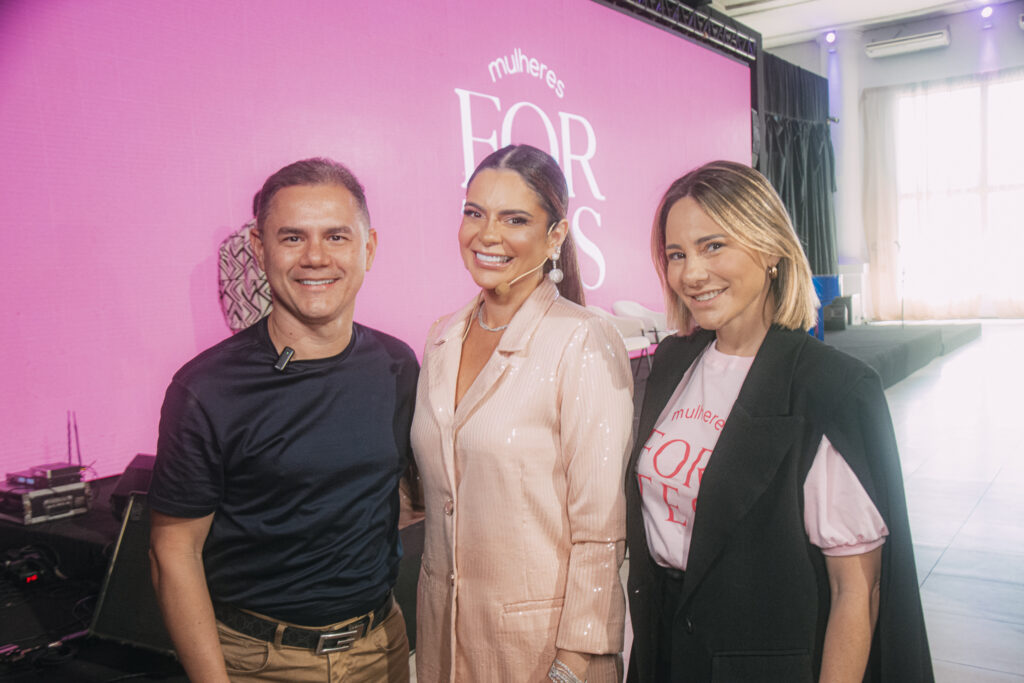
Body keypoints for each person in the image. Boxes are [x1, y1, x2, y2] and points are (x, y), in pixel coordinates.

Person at [625, 161, 933, 682]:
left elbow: (856, 590)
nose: (692, 273)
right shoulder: (675, 361)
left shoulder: (826, 385)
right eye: (677, 255)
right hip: (667, 651)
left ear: (769, 248)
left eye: (713, 246)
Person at [149, 157, 418, 683]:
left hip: (382, 648)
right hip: (257, 662)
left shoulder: (397, 364)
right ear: (259, 247)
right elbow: (173, 552)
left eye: (337, 237)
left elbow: (402, 493)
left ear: (369, 248)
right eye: (292, 237)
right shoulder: (206, 388)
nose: (316, 258)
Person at [411, 144, 634, 683]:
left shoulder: (583, 337)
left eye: (515, 219)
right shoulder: (442, 334)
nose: (487, 235)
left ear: (555, 235)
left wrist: (574, 663)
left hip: (544, 653)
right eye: (474, 213)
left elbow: (600, 526)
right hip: (444, 640)